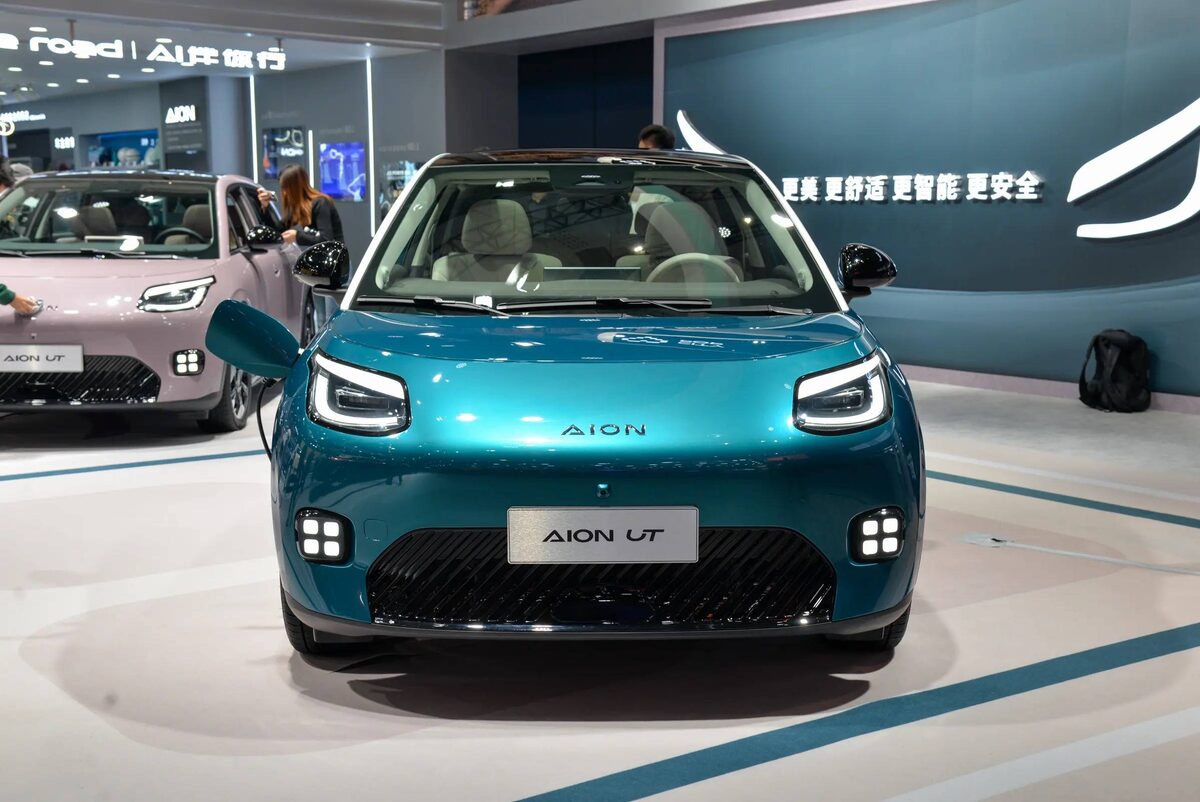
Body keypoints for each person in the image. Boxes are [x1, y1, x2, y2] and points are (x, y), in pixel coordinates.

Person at [257, 164, 344, 248]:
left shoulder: (320, 203)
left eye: (286, 188)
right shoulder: (298, 207)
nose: (284, 193)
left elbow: (326, 239)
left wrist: (297, 236)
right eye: (283, 188)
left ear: (296, 187)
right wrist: (265, 207)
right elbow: (277, 230)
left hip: (335, 256)